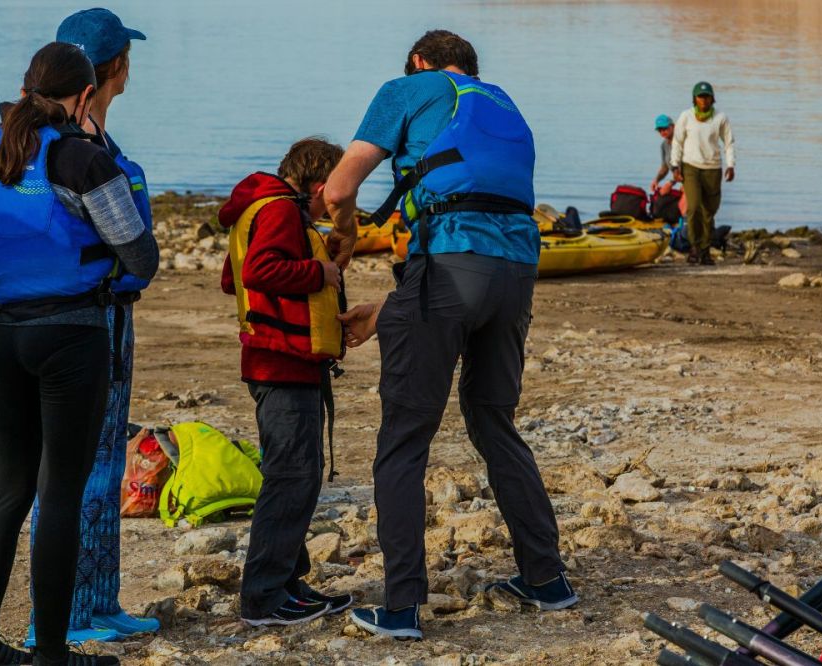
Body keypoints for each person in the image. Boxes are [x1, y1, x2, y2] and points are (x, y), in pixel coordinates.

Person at [323, 30, 577, 641]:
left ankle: (402, 608)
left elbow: (337, 188)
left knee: (405, 437)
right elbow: (477, 221)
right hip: (515, 272)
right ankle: (548, 581)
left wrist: (349, 233)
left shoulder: (407, 88)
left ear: (419, 63)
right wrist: (391, 306)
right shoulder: (503, 103)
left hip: (448, 272)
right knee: (495, 421)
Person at [0, 42, 157, 666]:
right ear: (84, 96)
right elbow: (140, 257)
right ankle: (50, 656)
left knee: (8, 490)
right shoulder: (84, 161)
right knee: (60, 493)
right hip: (72, 339)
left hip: (3, 336)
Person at [23, 8, 160, 646]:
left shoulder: (30, 142)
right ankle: (70, 613)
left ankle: (96, 600)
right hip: (93, 320)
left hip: (49, 317)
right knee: (85, 464)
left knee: (94, 461)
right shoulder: (89, 149)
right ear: (114, 70)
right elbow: (130, 246)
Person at [217, 138, 353, 626]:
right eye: (335, 193)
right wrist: (318, 270)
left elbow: (232, 280)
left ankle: (289, 582)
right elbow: (258, 270)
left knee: (301, 473)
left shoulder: (267, 208)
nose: (336, 202)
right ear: (320, 186)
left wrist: (315, 254)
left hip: (281, 362)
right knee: (291, 476)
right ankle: (264, 596)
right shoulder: (278, 211)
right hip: (281, 363)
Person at [670, 81, 736, 265]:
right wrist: (675, 166)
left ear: (712, 98)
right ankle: (694, 248)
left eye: (707, 97)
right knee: (692, 209)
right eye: (700, 97)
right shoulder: (686, 116)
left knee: (708, 212)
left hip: (712, 169)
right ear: (694, 98)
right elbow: (677, 142)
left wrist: (731, 165)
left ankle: (705, 252)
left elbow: (729, 143)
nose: (704, 100)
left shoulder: (720, 118)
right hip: (690, 167)